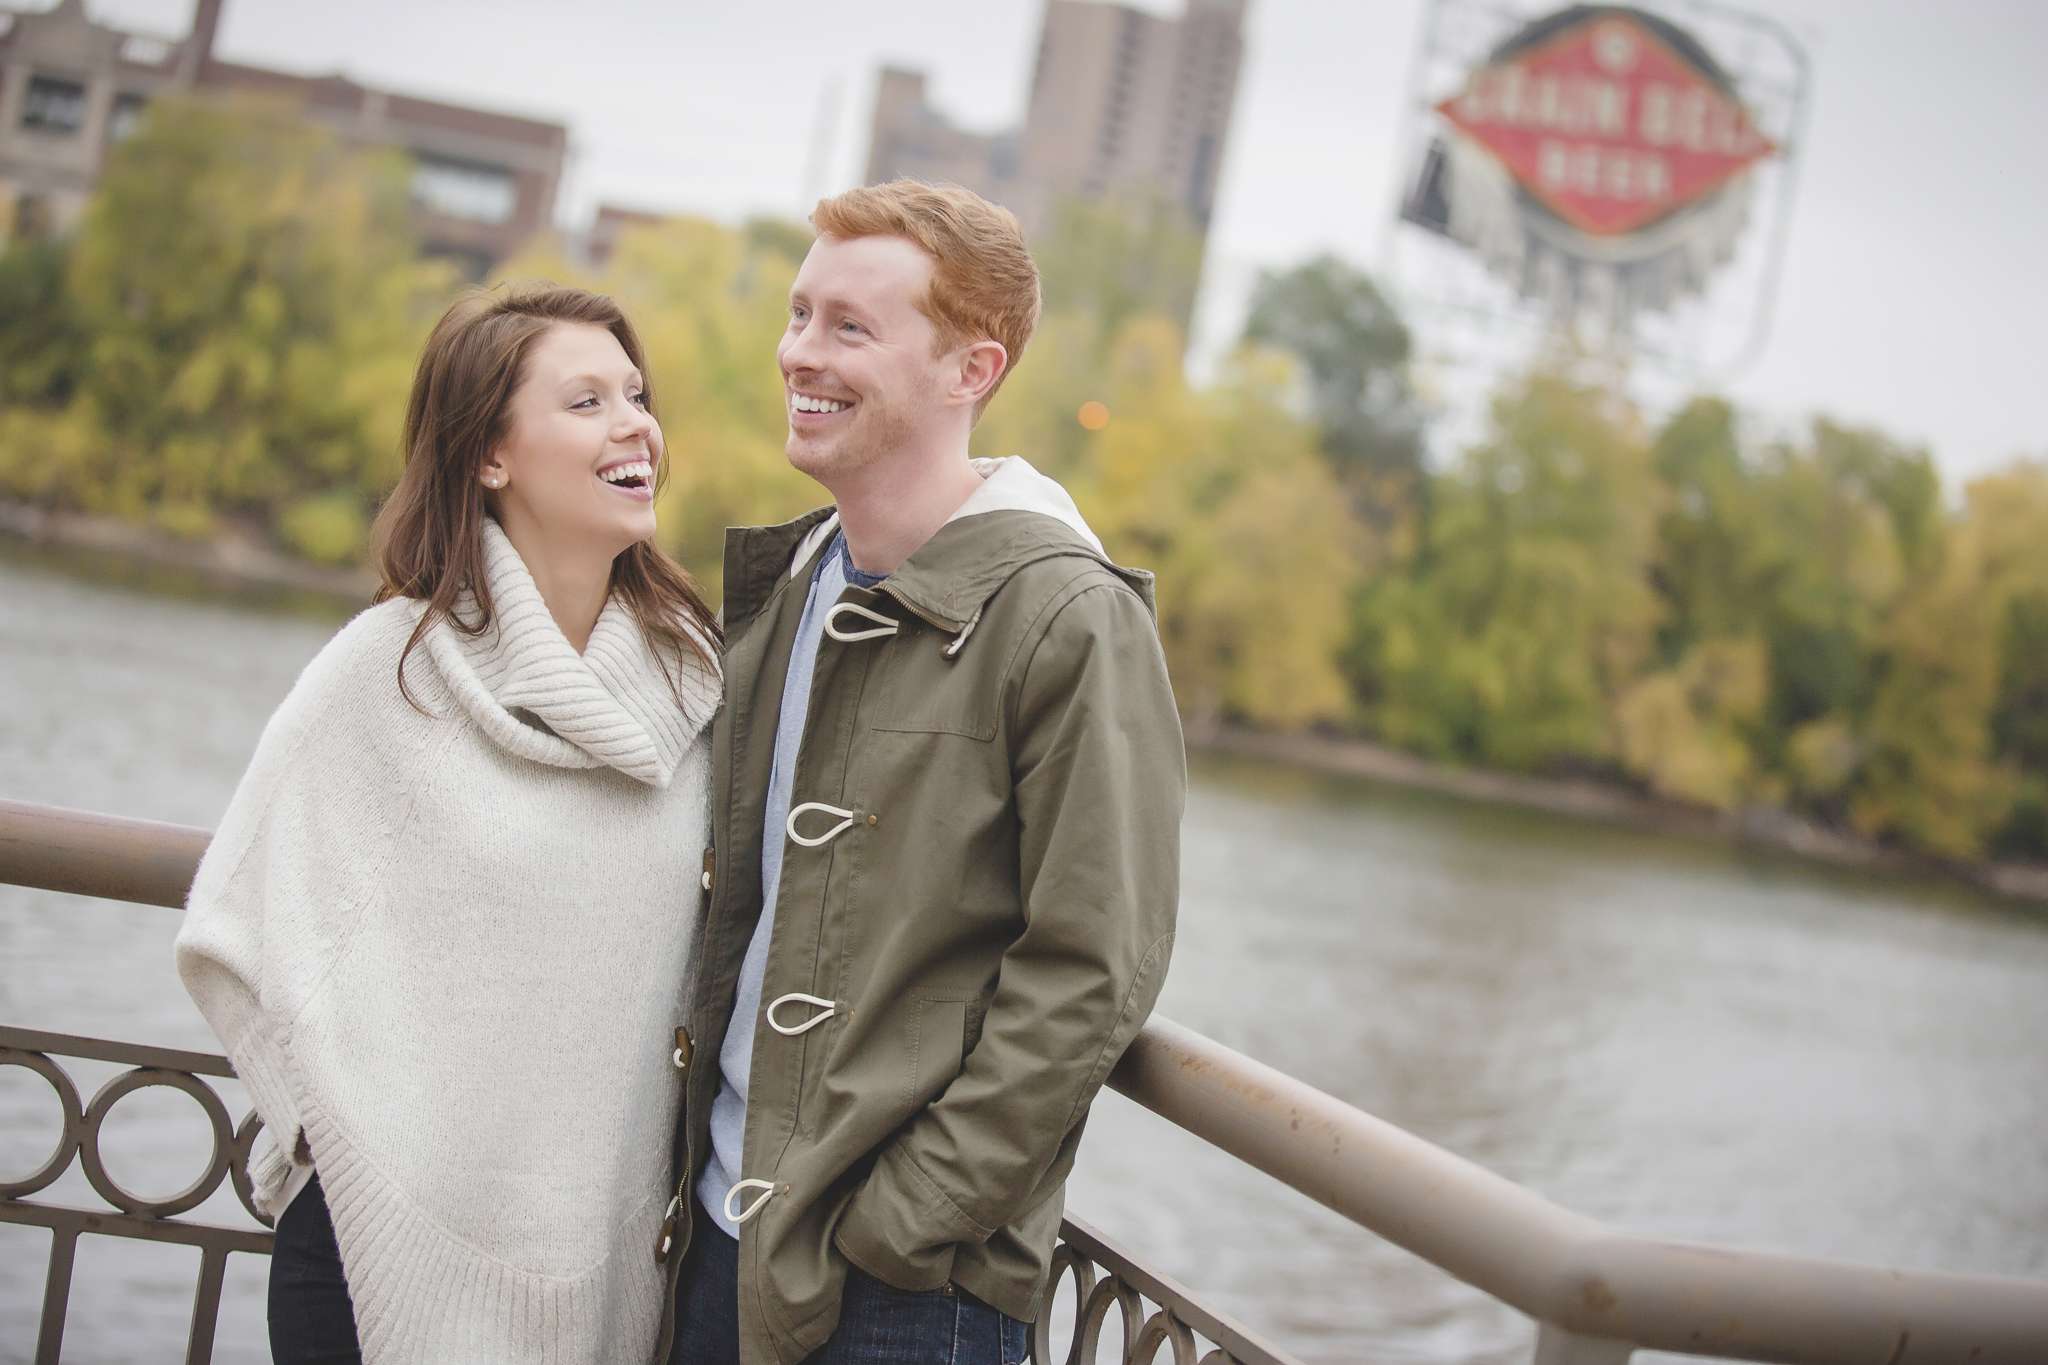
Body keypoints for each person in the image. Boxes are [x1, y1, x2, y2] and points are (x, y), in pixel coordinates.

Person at [657, 181, 1185, 1365]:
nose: (798, 353)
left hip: (898, 1293)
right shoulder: (797, 576)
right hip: (716, 1238)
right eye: (799, 314)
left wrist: (901, 1225)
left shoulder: (1068, 618)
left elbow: (1094, 966)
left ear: (970, 371)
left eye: (850, 327)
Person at [176, 285, 721, 1364]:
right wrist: (346, 1153)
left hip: (603, 1278)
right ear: (488, 456)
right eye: (585, 401)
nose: (634, 425)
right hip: (373, 1261)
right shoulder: (391, 674)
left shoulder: (698, 689)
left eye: (636, 393)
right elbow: (231, 932)